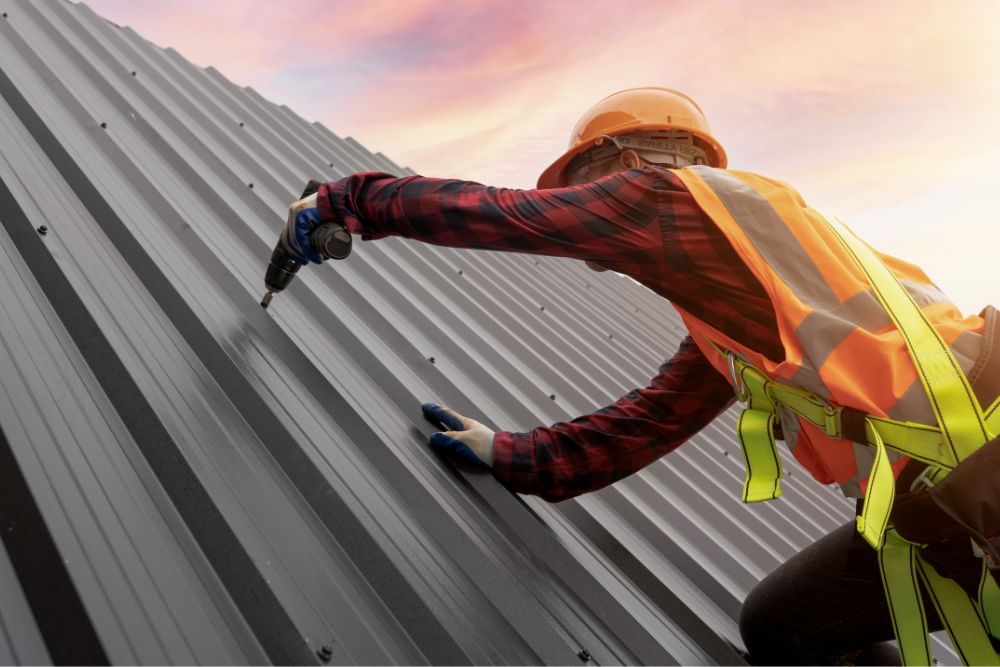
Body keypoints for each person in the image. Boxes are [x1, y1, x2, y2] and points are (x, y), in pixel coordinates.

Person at [280, 87, 1000, 665]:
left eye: (587, 180)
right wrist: (517, 455)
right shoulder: (739, 303)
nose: (587, 204)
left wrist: (350, 202)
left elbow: (510, 216)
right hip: (939, 511)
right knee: (785, 629)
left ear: (639, 156)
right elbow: (650, 421)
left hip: (988, 450)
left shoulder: (675, 197)